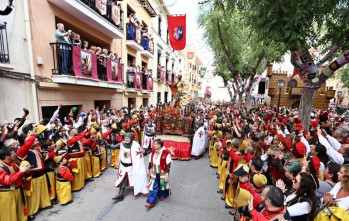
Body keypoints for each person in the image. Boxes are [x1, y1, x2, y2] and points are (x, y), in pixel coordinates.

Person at [110, 133, 148, 202]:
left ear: (130, 138)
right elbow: (113, 147)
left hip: (132, 167)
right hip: (124, 167)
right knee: (123, 180)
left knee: (135, 179)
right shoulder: (121, 144)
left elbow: (141, 152)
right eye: (125, 138)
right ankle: (120, 195)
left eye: (128, 138)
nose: (126, 139)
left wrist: (145, 152)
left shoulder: (135, 145)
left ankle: (137, 189)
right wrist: (105, 144)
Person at [0, 148, 30, 221]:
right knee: (9, 213)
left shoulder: (13, 162)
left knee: (19, 210)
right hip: (8, 193)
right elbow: (7, 180)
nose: (15, 154)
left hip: (18, 190)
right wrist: (21, 172)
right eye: (13, 153)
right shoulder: (1, 167)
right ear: (7, 157)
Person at [145, 139, 172, 208]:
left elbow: (168, 164)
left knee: (162, 185)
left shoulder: (166, 152)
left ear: (160, 145)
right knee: (153, 186)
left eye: (155, 144)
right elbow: (150, 161)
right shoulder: (153, 151)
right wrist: (148, 170)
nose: (154, 145)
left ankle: (162, 195)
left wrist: (167, 175)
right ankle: (150, 202)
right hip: (154, 171)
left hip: (162, 172)